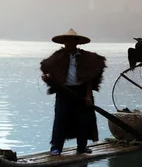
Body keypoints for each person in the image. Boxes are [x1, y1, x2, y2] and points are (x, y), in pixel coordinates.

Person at [40, 28, 107, 156]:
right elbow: (50, 72)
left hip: (81, 91)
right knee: (60, 118)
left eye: (71, 41)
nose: (68, 43)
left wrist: (88, 96)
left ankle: (82, 147)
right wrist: (47, 77)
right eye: (66, 41)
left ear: (76, 42)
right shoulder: (58, 57)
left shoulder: (86, 58)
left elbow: (89, 78)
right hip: (64, 92)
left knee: (83, 119)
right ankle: (56, 148)